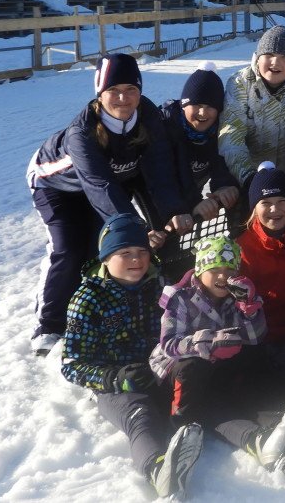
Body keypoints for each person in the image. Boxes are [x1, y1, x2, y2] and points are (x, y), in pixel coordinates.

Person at [28, 52, 191, 354]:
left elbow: (159, 170)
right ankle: (49, 324)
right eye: (113, 90)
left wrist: (174, 211)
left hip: (114, 180)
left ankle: (99, 311)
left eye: (131, 89)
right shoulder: (82, 133)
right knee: (70, 248)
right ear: (99, 94)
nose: (123, 98)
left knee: (100, 249)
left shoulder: (149, 117)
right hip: (57, 186)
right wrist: (135, 231)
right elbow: (99, 186)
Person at [61, 213, 204, 498]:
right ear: (105, 258)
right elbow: (71, 363)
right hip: (116, 384)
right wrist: (114, 377)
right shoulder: (88, 299)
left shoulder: (158, 284)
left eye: (142, 251)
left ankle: (255, 435)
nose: (136, 259)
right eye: (125, 253)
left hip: (159, 367)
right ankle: (158, 469)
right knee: (141, 413)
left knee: (199, 381)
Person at [148, 235, 285, 474]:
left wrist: (249, 307)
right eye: (214, 269)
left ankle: (270, 425)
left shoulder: (235, 295)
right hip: (176, 370)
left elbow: (254, 337)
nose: (222, 276)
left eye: (229, 270)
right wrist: (208, 342)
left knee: (253, 355)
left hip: (217, 366)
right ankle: (181, 424)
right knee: (193, 367)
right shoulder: (181, 298)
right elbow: (170, 344)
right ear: (200, 270)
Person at [219, 26, 285, 198]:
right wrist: (248, 177)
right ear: (258, 57)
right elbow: (231, 133)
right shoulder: (239, 84)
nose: (275, 63)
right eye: (269, 55)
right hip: (247, 175)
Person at [236, 163, 285, 375]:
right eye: (266, 203)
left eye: (282, 201)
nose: (275, 209)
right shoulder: (242, 248)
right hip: (257, 337)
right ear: (255, 208)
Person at [158, 62, 239, 230]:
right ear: (184, 105)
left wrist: (224, 185)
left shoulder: (219, 129)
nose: (202, 113)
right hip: (159, 194)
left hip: (192, 187)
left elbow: (221, 159)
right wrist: (192, 202)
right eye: (197, 105)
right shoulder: (166, 126)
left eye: (210, 107)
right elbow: (163, 175)